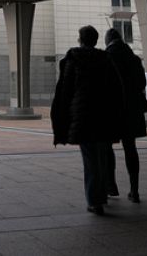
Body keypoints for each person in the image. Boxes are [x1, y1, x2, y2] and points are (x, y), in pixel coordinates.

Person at [51, 25, 122, 216]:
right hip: (104, 115)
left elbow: (65, 91)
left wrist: (63, 117)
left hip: (83, 116)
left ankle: (95, 200)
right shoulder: (105, 59)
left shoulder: (73, 59)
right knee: (101, 155)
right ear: (96, 40)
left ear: (80, 39)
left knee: (90, 159)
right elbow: (116, 88)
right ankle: (102, 193)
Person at [104, 27, 147, 203]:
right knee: (131, 148)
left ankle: (111, 185)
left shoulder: (106, 57)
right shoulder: (134, 59)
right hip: (132, 110)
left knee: (107, 147)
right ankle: (134, 190)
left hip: (112, 110)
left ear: (108, 41)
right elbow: (142, 83)